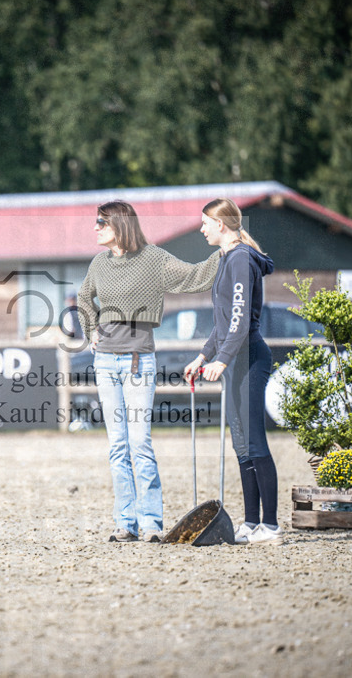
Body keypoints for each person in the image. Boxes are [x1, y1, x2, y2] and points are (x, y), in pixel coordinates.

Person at [77, 201, 221, 543]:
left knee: (140, 443)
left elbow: (193, 276)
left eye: (101, 222)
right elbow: (84, 297)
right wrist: (91, 329)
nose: (95, 227)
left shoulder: (153, 259)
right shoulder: (99, 263)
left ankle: (152, 523)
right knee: (117, 445)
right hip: (105, 362)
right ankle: (124, 523)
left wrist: (227, 250)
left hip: (138, 360)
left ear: (120, 224)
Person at [183, 198, 281, 545]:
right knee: (241, 444)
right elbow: (222, 324)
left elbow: (239, 322)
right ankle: (251, 523)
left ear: (220, 224)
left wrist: (221, 360)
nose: (202, 228)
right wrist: (203, 355)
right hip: (234, 358)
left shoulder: (240, 259)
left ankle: (270, 525)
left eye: (205, 223)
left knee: (254, 442)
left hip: (249, 356)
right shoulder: (227, 259)